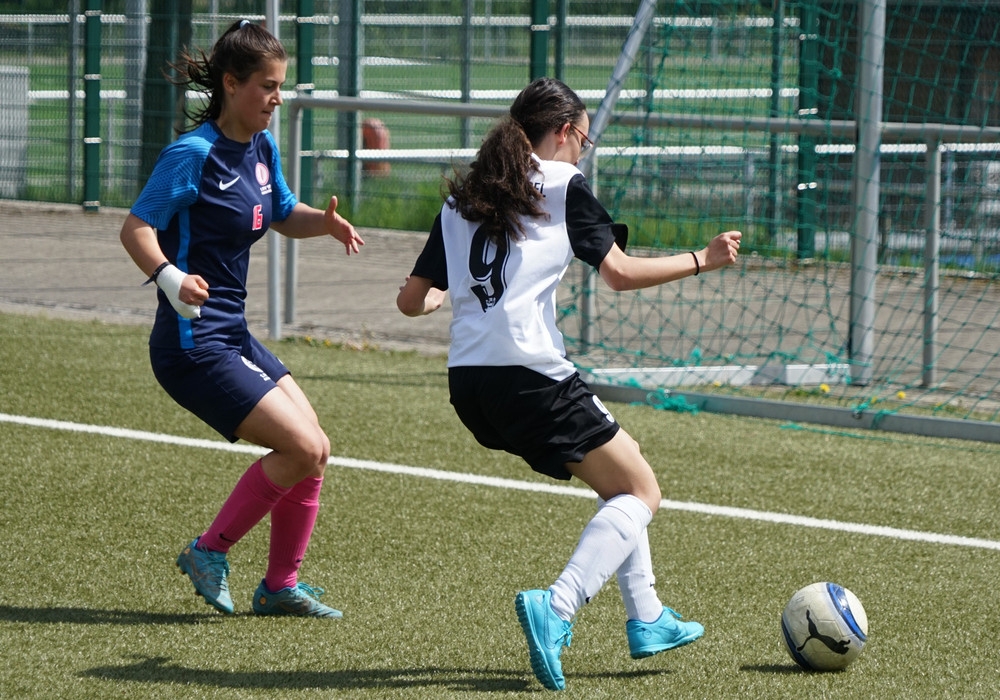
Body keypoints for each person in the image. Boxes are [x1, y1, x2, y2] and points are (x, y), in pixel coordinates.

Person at [396, 77, 741, 690]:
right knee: (642, 491)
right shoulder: (561, 183)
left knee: (624, 471)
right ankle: (557, 606)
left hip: (469, 384)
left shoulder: (464, 196)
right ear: (562, 132)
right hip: (529, 373)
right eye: (584, 138)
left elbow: (411, 301)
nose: (583, 150)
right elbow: (620, 274)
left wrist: (452, 299)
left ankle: (648, 616)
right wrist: (702, 259)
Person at [120, 19, 364, 618]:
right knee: (301, 447)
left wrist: (322, 223)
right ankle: (209, 550)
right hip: (190, 344)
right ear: (231, 84)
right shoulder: (191, 155)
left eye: (281, 87)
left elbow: (281, 211)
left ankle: (279, 586)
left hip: (231, 333)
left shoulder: (261, 147)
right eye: (268, 86)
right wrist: (169, 276)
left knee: (316, 449)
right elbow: (136, 228)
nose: (278, 99)